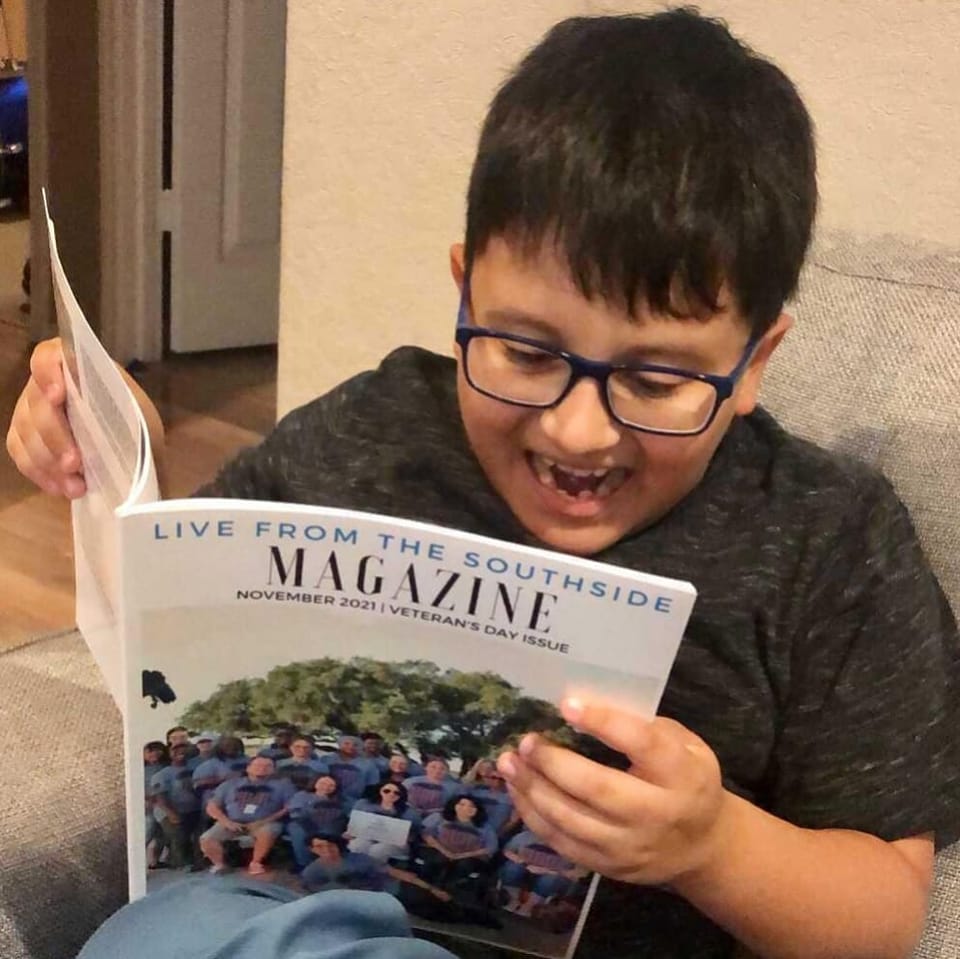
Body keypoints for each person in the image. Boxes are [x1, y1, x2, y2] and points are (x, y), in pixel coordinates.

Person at [8, 9, 960, 958]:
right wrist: (115, 440)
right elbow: (185, 613)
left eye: (656, 379)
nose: (577, 429)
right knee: (168, 928)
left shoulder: (831, 544)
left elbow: (883, 917)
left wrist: (714, 846)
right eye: (525, 352)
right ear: (464, 291)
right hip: (315, 927)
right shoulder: (374, 435)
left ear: (755, 361)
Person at [201, 755, 294, 876]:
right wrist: (226, 822)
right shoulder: (230, 784)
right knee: (207, 838)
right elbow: (212, 806)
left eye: (267, 766)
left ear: (273, 770)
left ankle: (256, 863)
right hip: (232, 822)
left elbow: (288, 808)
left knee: (268, 832)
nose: (262, 768)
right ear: (248, 768)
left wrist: (262, 822)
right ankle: (219, 865)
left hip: (265, 822)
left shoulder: (284, 786)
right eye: (258, 765)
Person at [498, 828, 587, 918]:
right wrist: (524, 864)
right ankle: (510, 900)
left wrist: (548, 871)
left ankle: (529, 907)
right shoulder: (527, 836)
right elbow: (507, 850)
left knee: (548, 880)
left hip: (555, 876)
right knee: (513, 868)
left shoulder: (575, 848)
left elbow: (580, 874)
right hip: (526, 868)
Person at [418, 796, 499, 892]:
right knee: (437, 860)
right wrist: (446, 852)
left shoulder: (485, 827)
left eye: (472, 806)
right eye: (462, 804)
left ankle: (449, 891)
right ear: (454, 806)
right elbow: (426, 835)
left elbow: (492, 847)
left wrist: (460, 855)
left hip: (468, 857)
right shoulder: (439, 817)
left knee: (463, 866)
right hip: (440, 850)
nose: (466, 808)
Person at [150, 741, 204, 869]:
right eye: (175, 749)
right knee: (178, 835)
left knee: (199, 834)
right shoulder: (162, 774)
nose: (180, 751)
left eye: (183, 748)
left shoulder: (197, 769)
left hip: (193, 809)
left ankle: (197, 861)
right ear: (169, 753)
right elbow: (159, 797)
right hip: (168, 810)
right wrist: (171, 813)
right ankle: (179, 863)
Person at [285, 774, 348, 872]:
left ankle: (328, 865)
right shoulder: (302, 795)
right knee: (297, 829)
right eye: (322, 783)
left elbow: (344, 816)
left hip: (330, 825)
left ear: (336, 788)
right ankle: (303, 864)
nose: (326, 787)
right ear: (315, 783)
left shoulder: (342, 800)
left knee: (330, 832)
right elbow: (295, 813)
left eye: (331, 785)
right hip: (303, 823)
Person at [347, 782, 422, 864]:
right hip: (365, 837)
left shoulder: (409, 812)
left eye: (396, 793)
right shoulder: (363, 804)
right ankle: (355, 868)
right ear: (380, 791)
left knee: (378, 849)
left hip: (394, 843)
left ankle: (373, 870)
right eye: (387, 791)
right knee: (357, 844)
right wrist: (350, 832)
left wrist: (406, 836)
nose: (391, 794)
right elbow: (353, 823)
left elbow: (415, 833)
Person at [315, 735, 381, 803]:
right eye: (346, 743)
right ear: (340, 744)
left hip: (353, 802)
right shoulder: (326, 759)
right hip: (324, 800)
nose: (351, 747)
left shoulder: (369, 764)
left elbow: (372, 786)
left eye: (355, 745)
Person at [143, 741, 169, 870]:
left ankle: (155, 861)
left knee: (162, 834)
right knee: (148, 831)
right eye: (150, 751)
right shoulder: (141, 769)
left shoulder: (165, 766)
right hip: (148, 804)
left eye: (158, 750)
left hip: (163, 803)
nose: (154, 753)